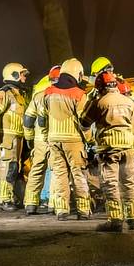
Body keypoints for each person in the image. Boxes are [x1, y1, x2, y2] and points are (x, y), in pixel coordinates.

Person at [82, 71, 134, 232]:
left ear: (99, 87)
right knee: (129, 183)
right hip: (128, 147)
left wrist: (91, 99)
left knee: (111, 184)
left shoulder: (100, 102)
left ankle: (115, 221)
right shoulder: (128, 101)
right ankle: (133, 218)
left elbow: (84, 122)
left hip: (109, 149)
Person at [37, 58, 93, 220]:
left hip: (54, 140)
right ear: (77, 73)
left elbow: (42, 118)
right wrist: (89, 140)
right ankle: (83, 210)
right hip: (73, 141)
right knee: (79, 174)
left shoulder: (48, 92)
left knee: (59, 174)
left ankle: (62, 210)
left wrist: (47, 135)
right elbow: (85, 122)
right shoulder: (79, 94)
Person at [0, 62, 31, 211]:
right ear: (14, 75)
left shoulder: (18, 93)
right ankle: (4, 199)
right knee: (7, 166)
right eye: (22, 74)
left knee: (15, 167)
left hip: (18, 137)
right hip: (8, 137)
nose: (24, 77)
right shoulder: (4, 93)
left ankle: (11, 197)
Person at [22, 65, 59, 214]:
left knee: (36, 170)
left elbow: (28, 119)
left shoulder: (38, 96)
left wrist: (29, 138)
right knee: (56, 170)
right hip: (55, 138)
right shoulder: (61, 96)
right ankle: (53, 203)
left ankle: (30, 203)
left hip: (39, 140)